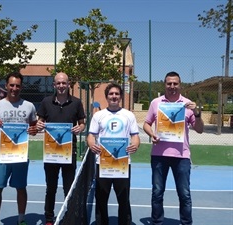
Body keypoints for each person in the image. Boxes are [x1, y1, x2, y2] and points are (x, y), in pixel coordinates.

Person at [143, 71, 204, 225]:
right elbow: (146, 124)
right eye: (169, 83)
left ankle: (186, 223)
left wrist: (197, 114)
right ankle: (157, 222)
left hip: (182, 156)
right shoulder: (156, 103)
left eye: (175, 83)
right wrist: (152, 134)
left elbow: (199, 129)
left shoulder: (188, 104)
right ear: (164, 85)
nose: (172, 86)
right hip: (158, 155)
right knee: (157, 193)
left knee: (184, 194)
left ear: (180, 85)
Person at [0, 72, 38, 225]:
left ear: (21, 87)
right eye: (12, 85)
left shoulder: (29, 106)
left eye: (18, 85)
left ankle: (21, 219)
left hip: (20, 155)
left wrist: (34, 131)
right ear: (6, 86)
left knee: (21, 188)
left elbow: (33, 129)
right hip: (0, 155)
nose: (14, 88)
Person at [36, 72, 86, 225]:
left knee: (68, 189)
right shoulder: (45, 102)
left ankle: (69, 217)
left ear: (68, 84)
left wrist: (80, 128)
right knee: (50, 188)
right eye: (58, 83)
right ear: (54, 85)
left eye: (64, 83)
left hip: (68, 152)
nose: (61, 86)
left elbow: (82, 123)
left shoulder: (77, 103)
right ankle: (49, 218)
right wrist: (39, 125)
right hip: (51, 153)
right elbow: (40, 122)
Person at [87, 82, 140, 225]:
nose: (114, 96)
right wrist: (91, 143)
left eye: (117, 94)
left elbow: (135, 136)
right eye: (111, 94)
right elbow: (91, 135)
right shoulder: (99, 115)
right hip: (103, 163)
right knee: (101, 199)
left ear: (121, 96)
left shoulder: (129, 115)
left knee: (123, 199)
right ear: (106, 97)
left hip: (122, 164)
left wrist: (135, 144)